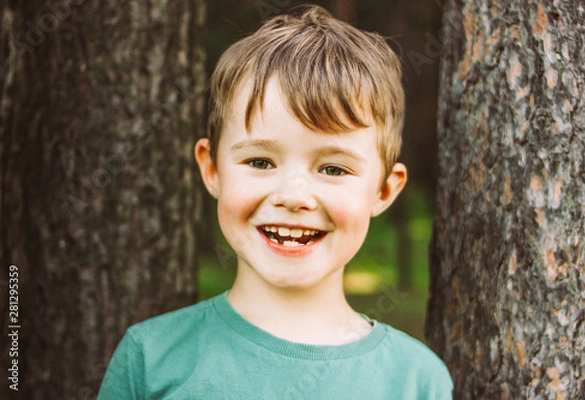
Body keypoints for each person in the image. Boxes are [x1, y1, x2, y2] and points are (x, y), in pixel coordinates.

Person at [98, 5, 453, 399]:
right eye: (260, 161)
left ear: (383, 190)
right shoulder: (150, 358)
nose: (293, 196)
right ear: (212, 169)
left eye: (333, 169)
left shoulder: (416, 381)